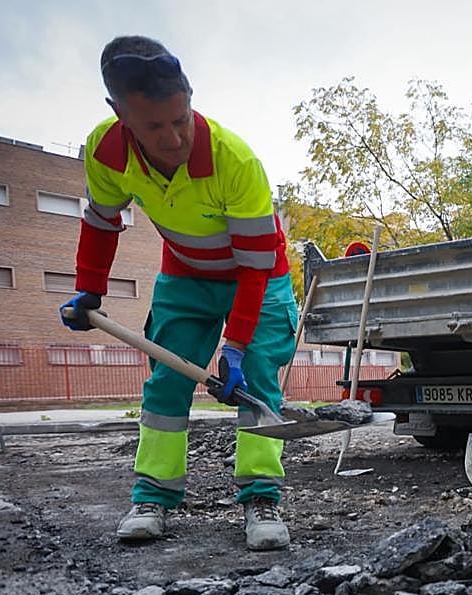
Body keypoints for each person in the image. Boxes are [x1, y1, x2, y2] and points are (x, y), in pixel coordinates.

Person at [59, 35, 296, 550]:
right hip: (187, 276)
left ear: (190, 99)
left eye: (180, 120)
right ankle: (153, 497)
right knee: (167, 384)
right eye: (153, 126)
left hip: (259, 277)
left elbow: (255, 267)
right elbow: (102, 222)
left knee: (256, 382)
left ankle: (262, 497)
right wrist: (89, 290)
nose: (172, 139)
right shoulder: (106, 150)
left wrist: (234, 346)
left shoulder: (234, 160)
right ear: (118, 112)